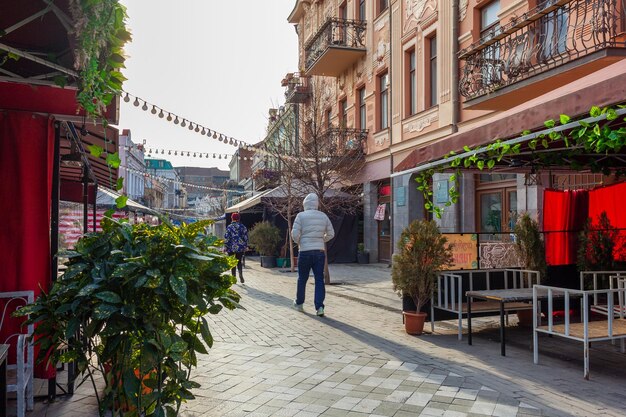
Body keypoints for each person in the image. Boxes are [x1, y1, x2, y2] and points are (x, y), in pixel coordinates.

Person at [291, 193, 335, 316]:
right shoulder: (323, 216)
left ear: (305, 204)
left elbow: (294, 234)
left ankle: (299, 303)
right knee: (319, 279)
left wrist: (300, 241)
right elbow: (331, 233)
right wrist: (321, 240)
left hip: (304, 251)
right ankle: (319, 307)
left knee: (302, 279)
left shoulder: (300, 216)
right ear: (316, 204)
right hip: (319, 251)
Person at [224, 212, 248, 283]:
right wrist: (245, 246)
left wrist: (225, 246)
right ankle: (240, 274)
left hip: (231, 247)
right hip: (240, 247)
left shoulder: (229, 227)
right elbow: (245, 237)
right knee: (239, 261)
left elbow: (227, 238)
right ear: (239, 218)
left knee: (232, 262)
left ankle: (233, 278)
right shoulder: (243, 227)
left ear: (232, 218)